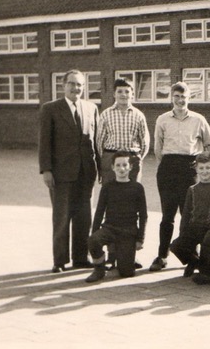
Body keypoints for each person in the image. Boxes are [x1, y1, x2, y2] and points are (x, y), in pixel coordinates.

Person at [150, 82, 210, 272]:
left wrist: (202, 162)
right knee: (167, 215)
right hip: (168, 169)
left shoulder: (198, 119)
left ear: (189, 98)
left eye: (184, 97)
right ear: (172, 97)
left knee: (189, 216)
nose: (180, 100)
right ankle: (162, 256)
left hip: (189, 168)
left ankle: (191, 258)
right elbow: (157, 149)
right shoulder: (162, 119)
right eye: (177, 96)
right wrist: (166, 167)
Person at [39, 69, 100, 272]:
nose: (76, 88)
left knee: (84, 217)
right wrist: (46, 170)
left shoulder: (91, 108)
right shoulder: (50, 109)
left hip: (86, 173)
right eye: (72, 84)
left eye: (80, 85)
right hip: (61, 174)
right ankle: (60, 261)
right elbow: (44, 143)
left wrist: (100, 169)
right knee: (62, 217)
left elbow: (95, 142)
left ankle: (81, 258)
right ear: (63, 85)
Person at [85, 151, 148, 282]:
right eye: (118, 165)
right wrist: (94, 234)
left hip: (128, 231)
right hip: (110, 228)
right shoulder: (107, 187)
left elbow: (143, 215)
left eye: (125, 165)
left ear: (131, 167)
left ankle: (123, 256)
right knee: (93, 240)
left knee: (127, 273)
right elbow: (99, 212)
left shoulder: (137, 188)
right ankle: (99, 269)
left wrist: (140, 238)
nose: (121, 169)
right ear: (112, 167)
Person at [169, 152, 210, 277]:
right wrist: (182, 231)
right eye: (201, 168)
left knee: (206, 271)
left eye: (208, 168)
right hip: (194, 227)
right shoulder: (192, 189)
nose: (205, 172)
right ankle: (193, 260)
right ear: (196, 169)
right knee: (175, 246)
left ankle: (203, 263)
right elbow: (186, 213)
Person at [97, 78, 149, 184]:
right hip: (111, 157)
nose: (123, 95)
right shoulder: (106, 114)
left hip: (132, 158)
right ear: (114, 94)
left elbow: (145, 141)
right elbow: (99, 141)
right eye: (119, 91)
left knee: (132, 193)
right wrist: (107, 158)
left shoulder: (138, 115)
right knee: (110, 192)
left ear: (132, 94)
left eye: (127, 91)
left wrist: (137, 157)